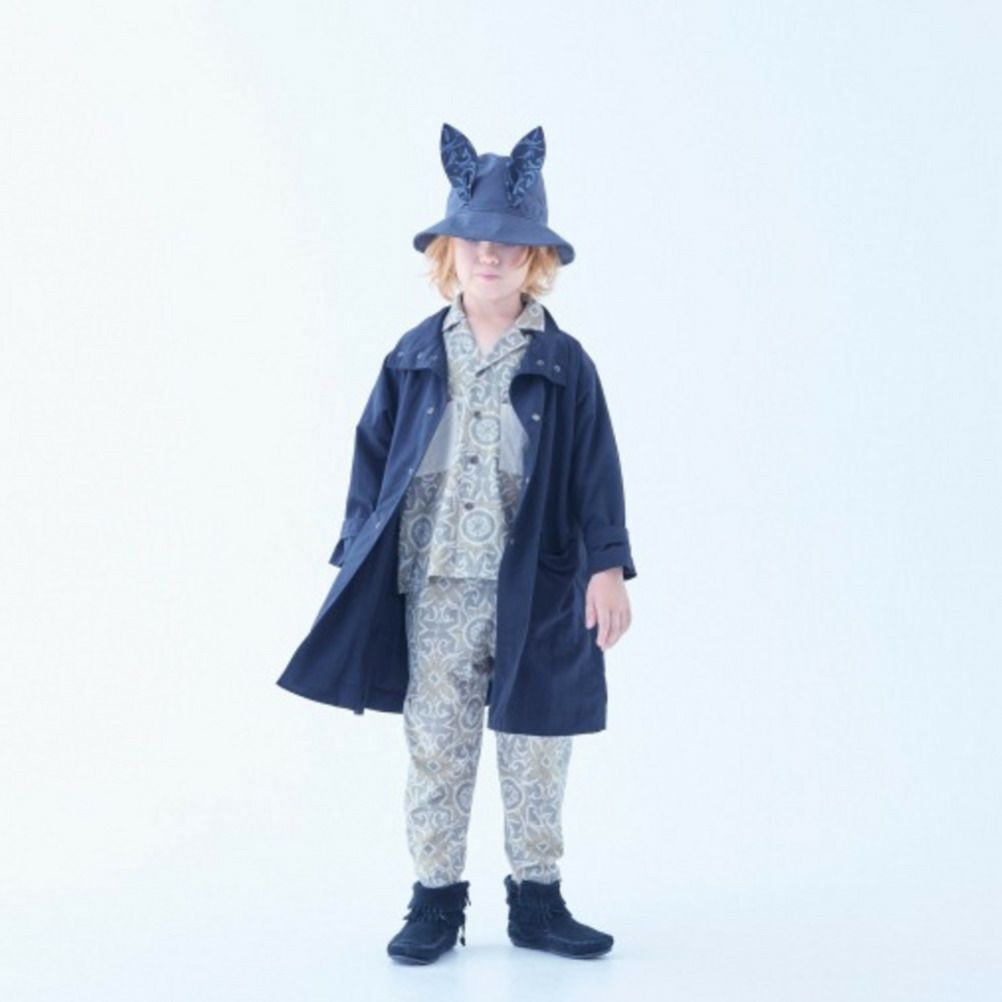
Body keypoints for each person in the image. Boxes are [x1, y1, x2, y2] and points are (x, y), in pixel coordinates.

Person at [276, 123, 637, 964]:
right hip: (435, 585)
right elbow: (372, 462)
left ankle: (538, 901)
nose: (490, 255)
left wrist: (607, 566)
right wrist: (356, 557)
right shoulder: (412, 357)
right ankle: (435, 900)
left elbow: (595, 471)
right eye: (474, 241)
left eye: (508, 244)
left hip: (537, 586)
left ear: (534, 257)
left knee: (536, 746)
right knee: (437, 745)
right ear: (450, 252)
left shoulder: (564, 363)